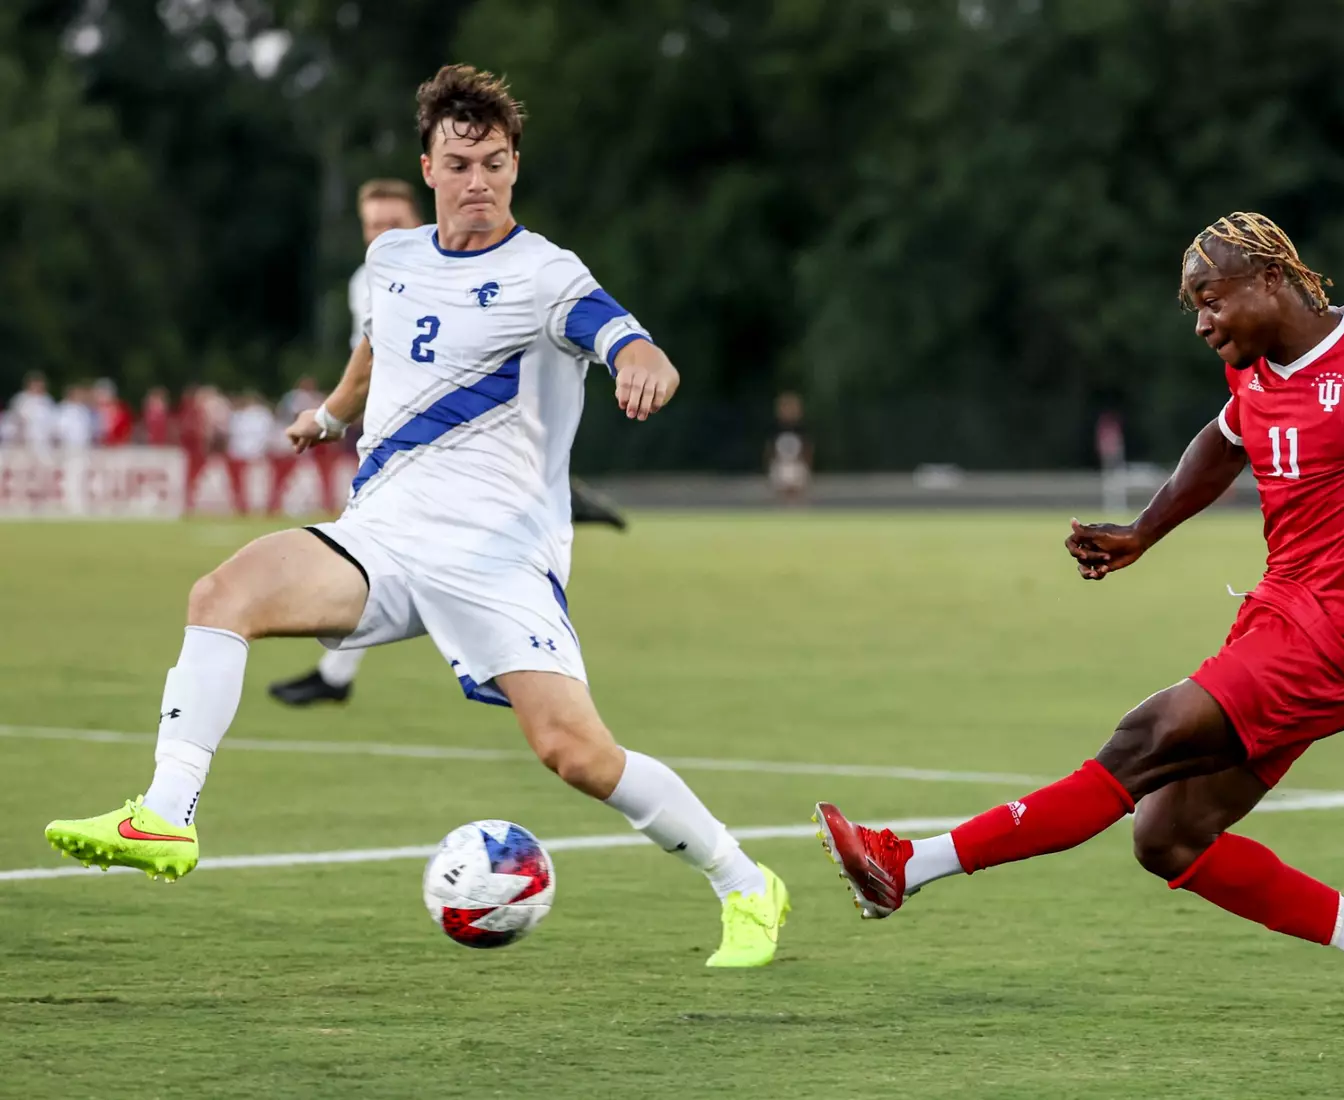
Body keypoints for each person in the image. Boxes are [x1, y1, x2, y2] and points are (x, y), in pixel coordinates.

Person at [45, 64, 789, 969]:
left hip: (496, 558)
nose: (480, 181)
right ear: (428, 167)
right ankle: (165, 815)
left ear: (516, 166)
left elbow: (623, 337)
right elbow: (375, 351)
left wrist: (645, 364)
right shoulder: (392, 260)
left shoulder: (546, 275)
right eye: (462, 162)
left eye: (497, 163)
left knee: (576, 754)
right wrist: (330, 415)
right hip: (383, 536)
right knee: (222, 591)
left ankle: (745, 882)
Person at [814, 212, 1344, 1038]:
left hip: (1331, 644)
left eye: (1210, 300)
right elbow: (1222, 441)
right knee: (1165, 835)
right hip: (1275, 626)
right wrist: (1142, 532)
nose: (1202, 322)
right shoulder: (1259, 370)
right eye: (1192, 307)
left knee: (1144, 736)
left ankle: (906, 865)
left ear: (1271, 280)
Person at [269, 178, 626, 707]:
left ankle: (511, 652)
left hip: (463, 443)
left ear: (420, 219)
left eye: (391, 224)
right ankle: (341, 673)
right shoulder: (369, 279)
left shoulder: (489, 271)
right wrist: (329, 417)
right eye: (371, 226)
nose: (379, 236)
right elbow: (367, 363)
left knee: (421, 548)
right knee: (375, 546)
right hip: (394, 439)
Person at [765, 391, 812, 501]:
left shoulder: (801, 429)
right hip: (780, 465)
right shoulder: (775, 429)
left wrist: (807, 467)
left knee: (797, 490)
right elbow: (770, 450)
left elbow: (807, 449)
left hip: (797, 465)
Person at [9, 371, 56, 451]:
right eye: (35, 384)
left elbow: (53, 420)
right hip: (25, 439)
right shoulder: (21, 399)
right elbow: (15, 418)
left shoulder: (47, 400)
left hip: (44, 440)